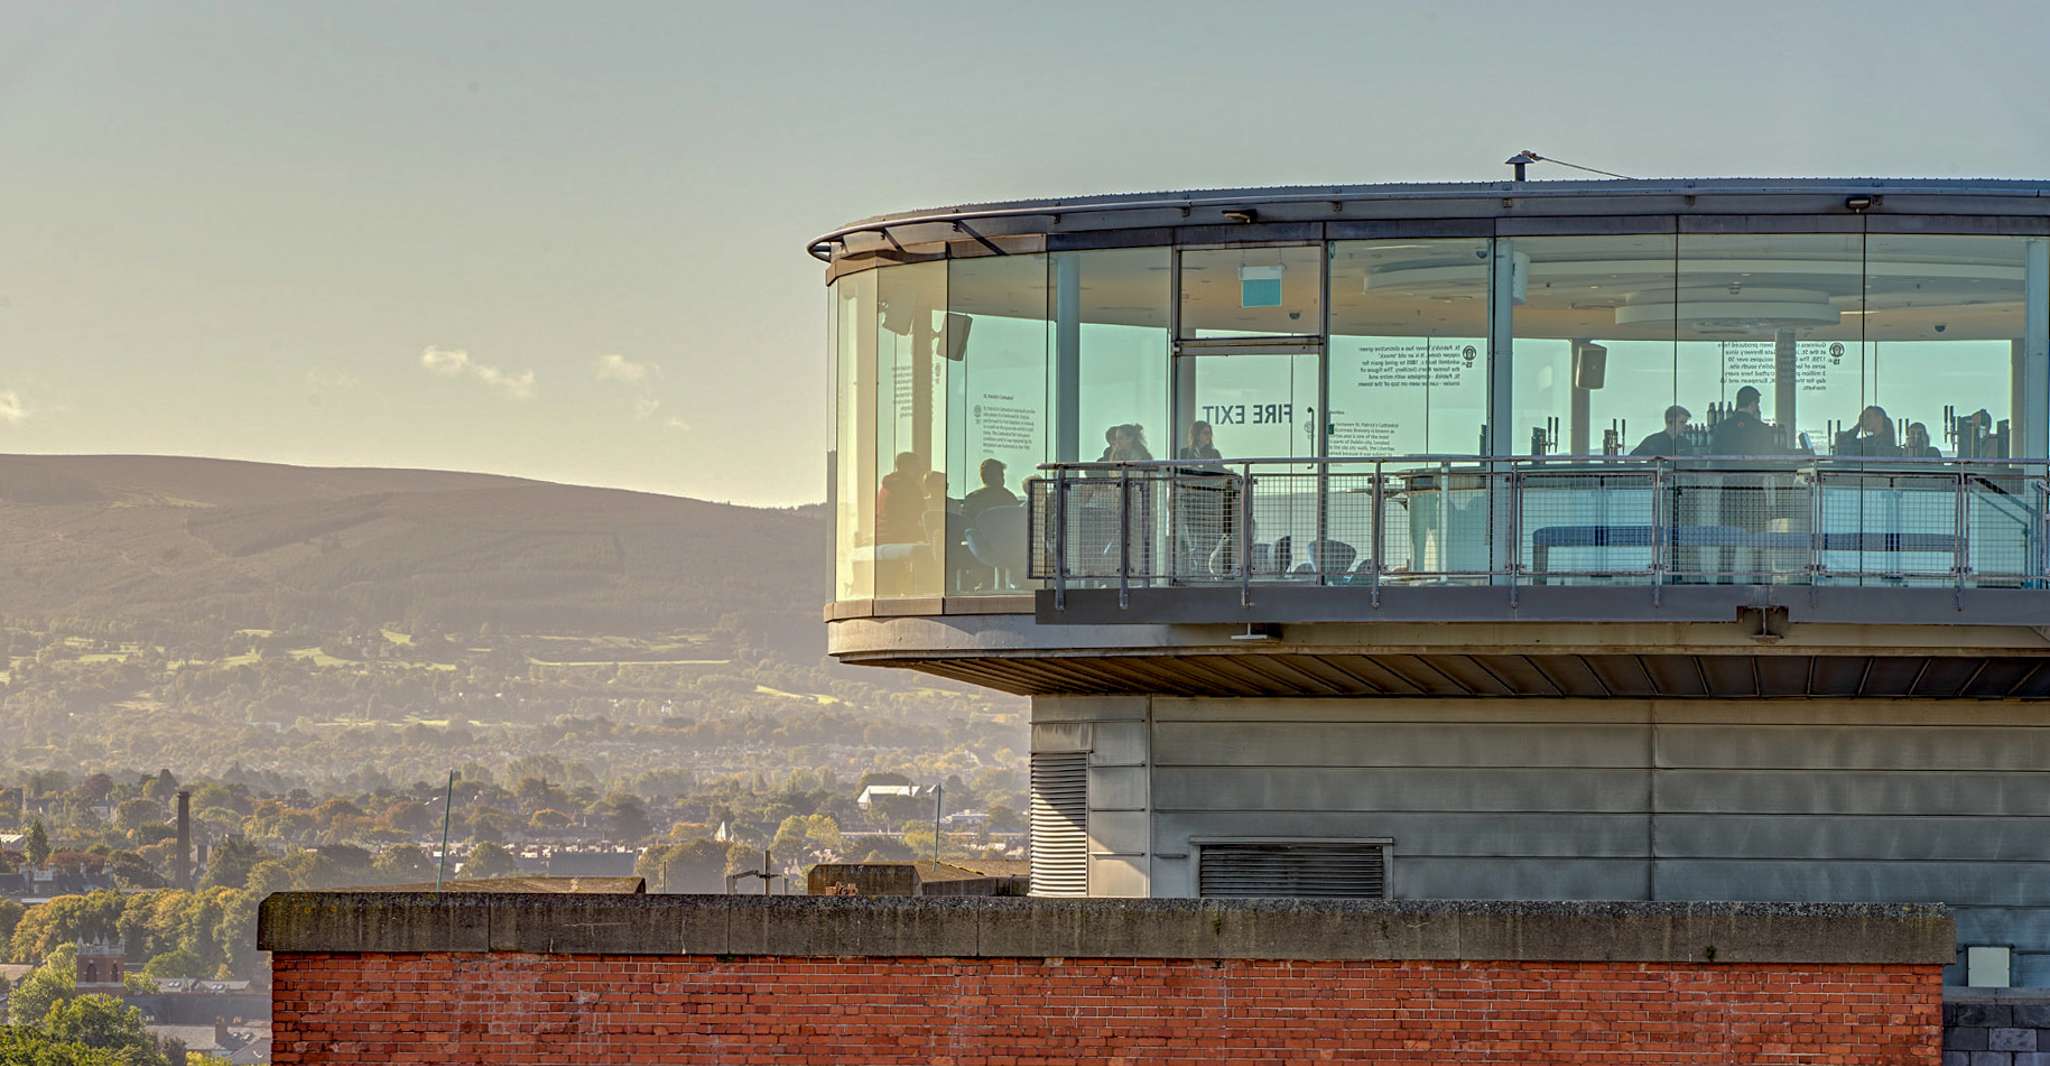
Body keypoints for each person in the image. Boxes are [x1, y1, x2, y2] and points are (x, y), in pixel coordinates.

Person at [875, 452, 927, 542]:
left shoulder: (886, 486)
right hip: (899, 536)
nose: (920, 469)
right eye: (917, 465)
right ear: (909, 466)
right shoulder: (909, 487)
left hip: (882, 535)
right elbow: (919, 514)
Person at [1709, 386, 1776, 455]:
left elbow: (1714, 455)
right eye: (1757, 404)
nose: (1758, 407)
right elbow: (1768, 457)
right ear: (1752, 404)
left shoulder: (1722, 427)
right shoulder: (1763, 429)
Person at [961, 458, 1018, 527]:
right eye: (1002, 474)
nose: (1003, 478)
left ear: (983, 477)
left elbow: (966, 524)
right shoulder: (1010, 497)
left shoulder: (972, 498)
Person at [1630, 405, 1695, 457]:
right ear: (1670, 421)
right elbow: (1632, 459)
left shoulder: (1686, 444)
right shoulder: (1652, 441)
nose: (1685, 426)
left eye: (1685, 422)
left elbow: (1690, 465)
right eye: (1682, 422)